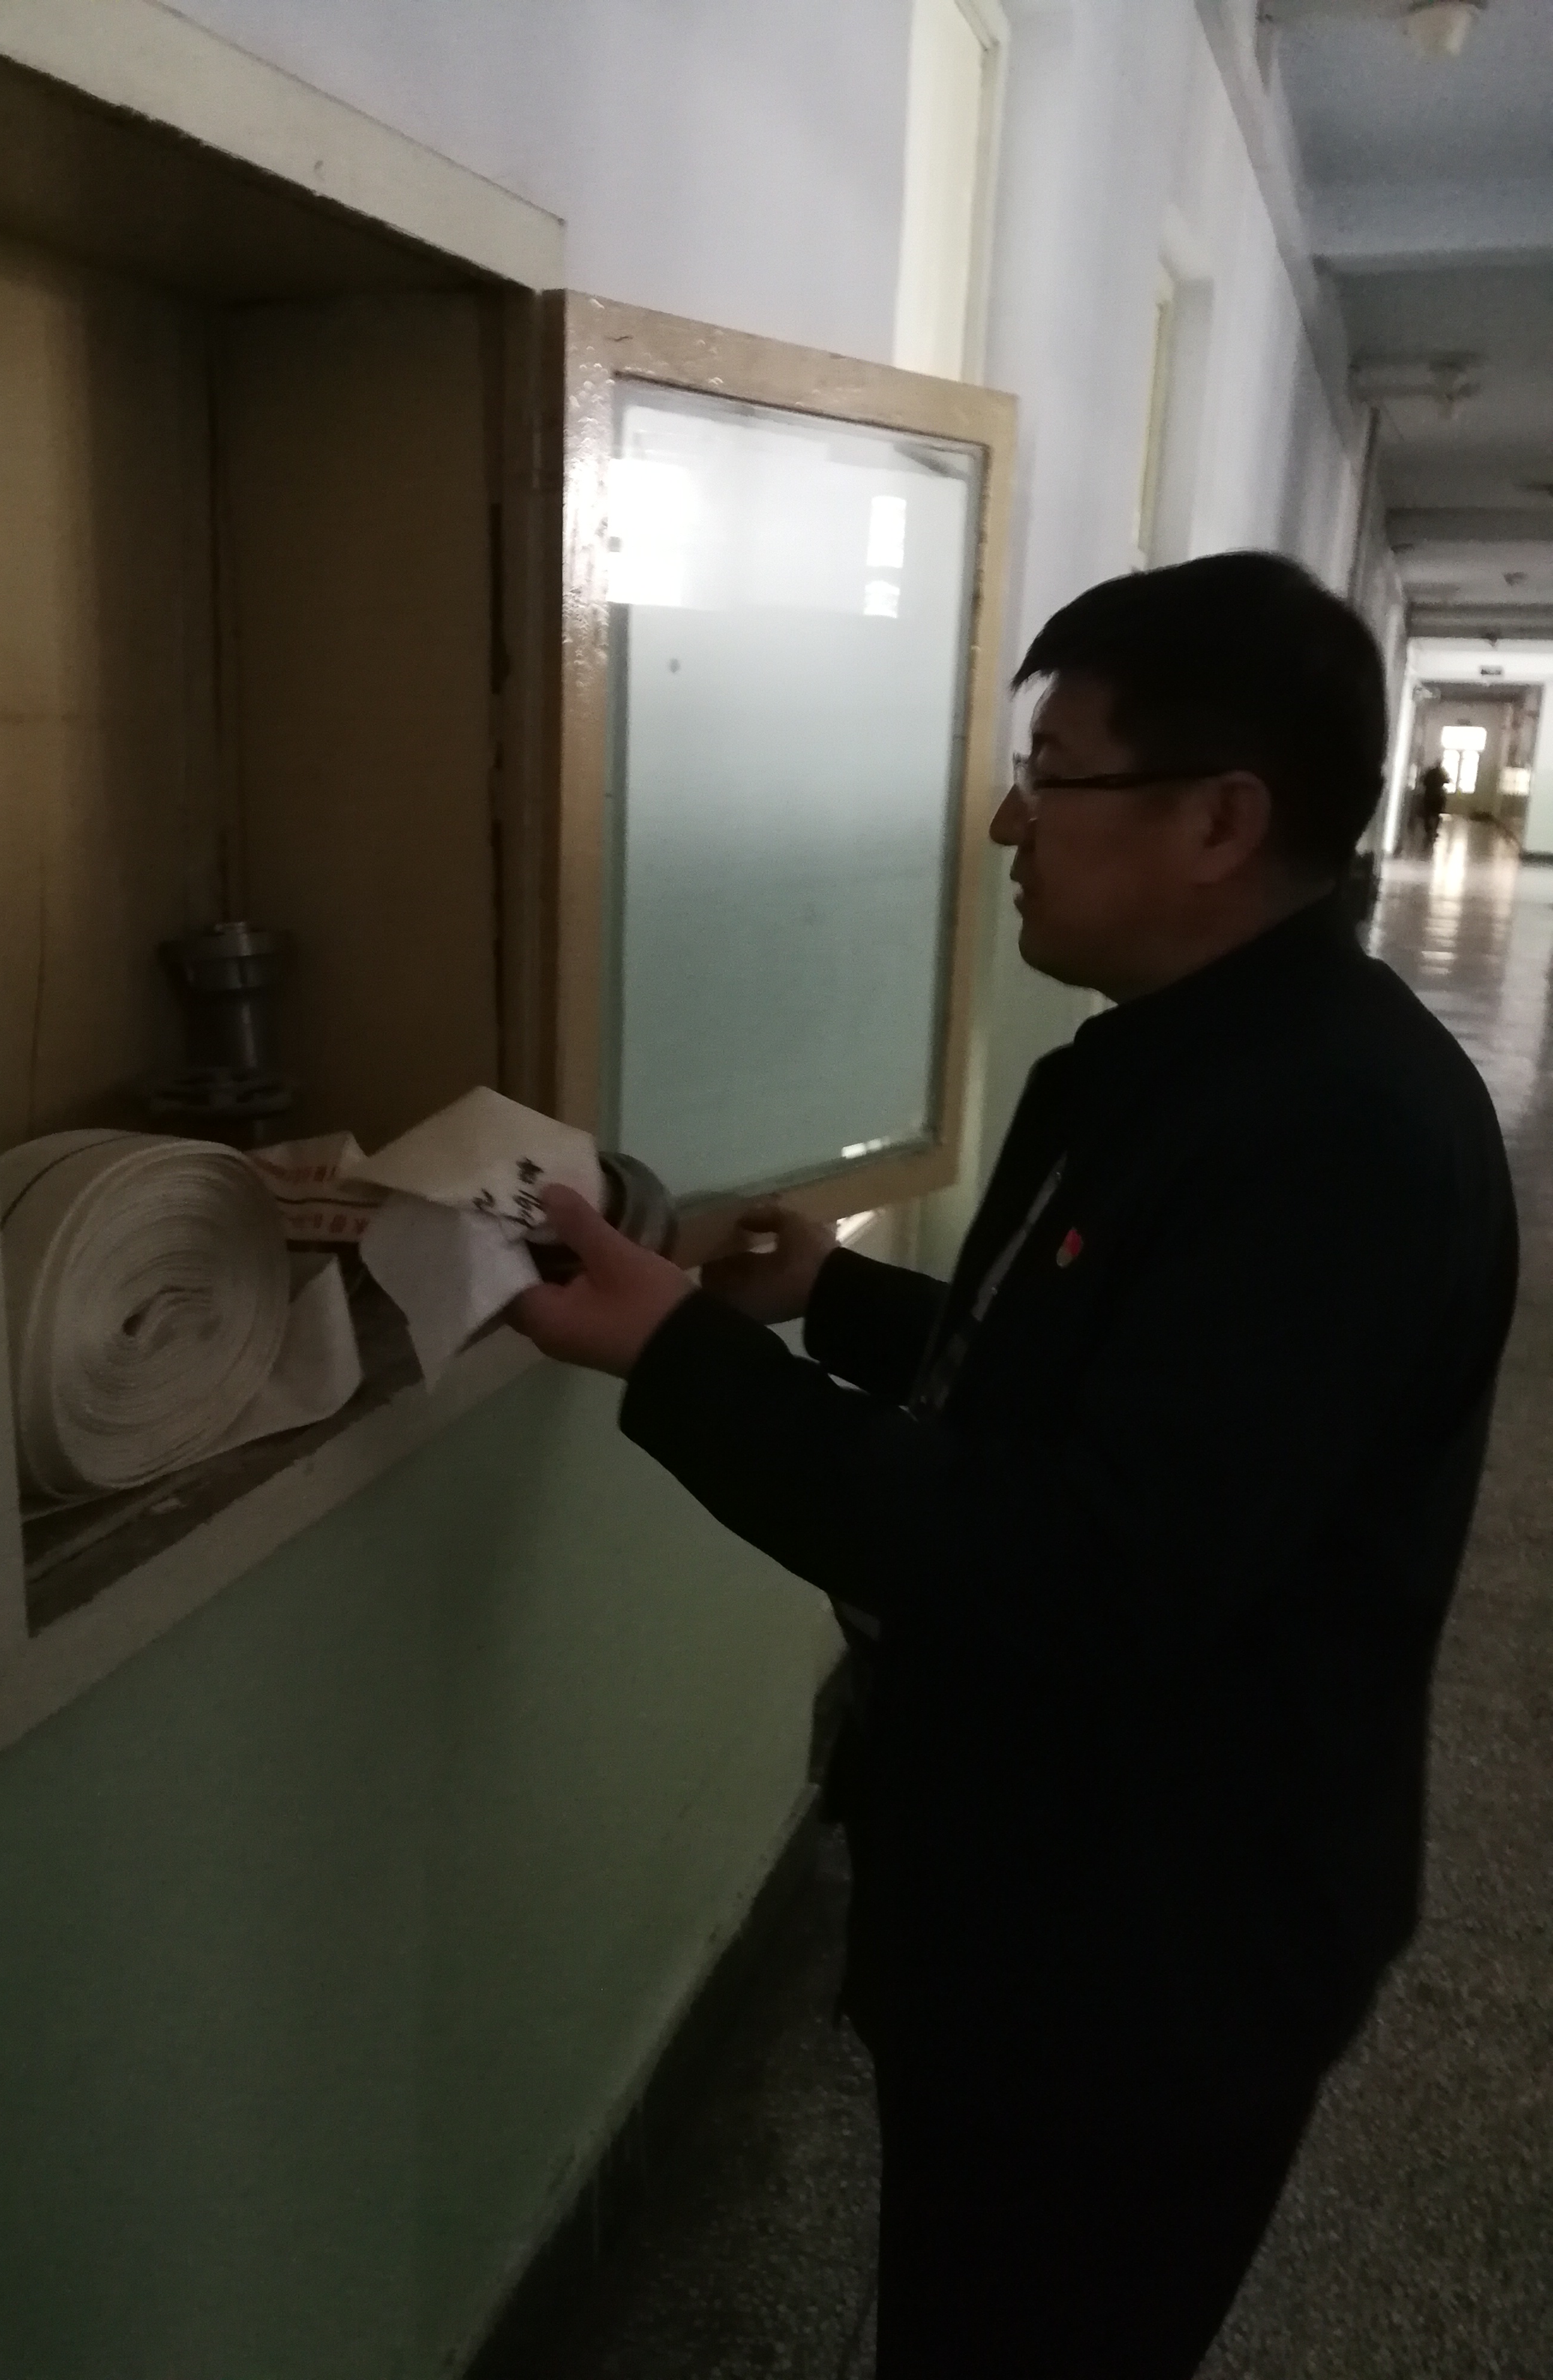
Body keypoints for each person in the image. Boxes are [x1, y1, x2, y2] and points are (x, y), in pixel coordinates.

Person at [511, 552, 1518, 2379]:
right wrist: (830, 1298)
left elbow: (1088, 1558)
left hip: (1153, 1952)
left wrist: (677, 1356)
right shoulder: (1187, 1061)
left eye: (1050, 774)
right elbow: (1098, 1380)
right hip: (1047, 1890)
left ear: (1219, 819)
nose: (1003, 822)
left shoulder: (1333, 1137)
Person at [1417, 759, 1449, 849]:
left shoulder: (1430, 772)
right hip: (1438, 796)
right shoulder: (1442, 773)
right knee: (1436, 815)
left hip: (1429, 795)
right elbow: (1447, 781)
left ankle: (1429, 830)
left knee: (1428, 814)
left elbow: (1423, 781)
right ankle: (1434, 830)